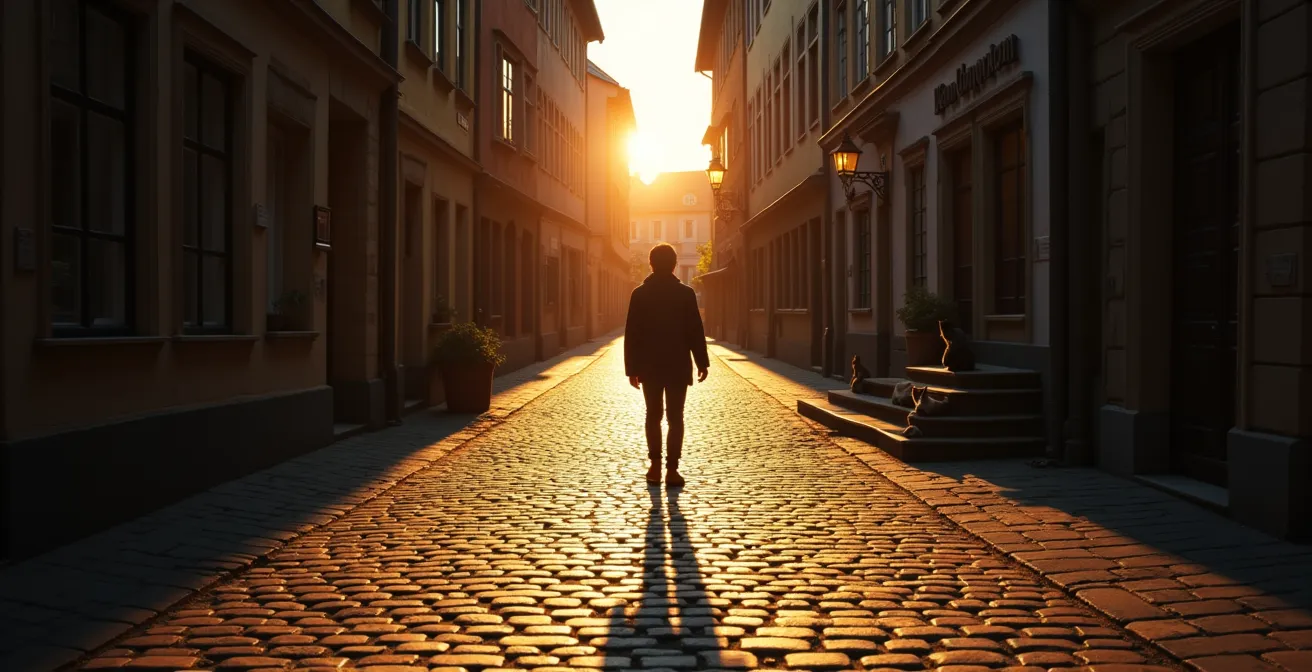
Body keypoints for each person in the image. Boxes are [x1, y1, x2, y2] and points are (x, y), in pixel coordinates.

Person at [624, 243, 710, 486]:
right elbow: (695, 330)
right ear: (674, 264)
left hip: (649, 366)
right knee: (675, 417)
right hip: (677, 364)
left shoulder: (639, 294)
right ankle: (672, 470)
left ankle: (654, 466)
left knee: (653, 416)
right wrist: (702, 362)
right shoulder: (685, 294)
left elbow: (632, 333)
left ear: (651, 264)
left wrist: (632, 369)